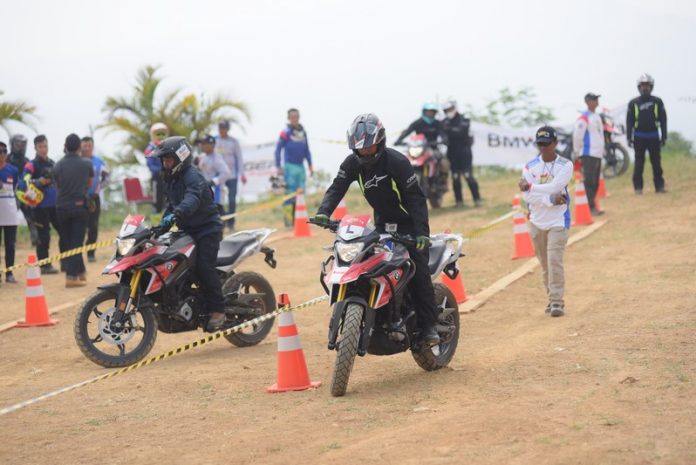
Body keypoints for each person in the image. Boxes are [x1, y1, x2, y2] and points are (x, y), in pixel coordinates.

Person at [314, 113, 440, 345]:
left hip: (409, 226)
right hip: (381, 224)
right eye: (360, 148)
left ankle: (430, 326)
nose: (365, 152)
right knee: (369, 262)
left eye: (369, 147)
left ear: (380, 141)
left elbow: (416, 199)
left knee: (418, 271)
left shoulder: (397, 162)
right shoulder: (352, 163)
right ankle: (379, 314)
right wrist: (324, 211)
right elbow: (337, 186)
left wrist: (422, 232)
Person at [150, 136, 227, 332]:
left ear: (180, 157)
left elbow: (192, 198)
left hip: (207, 229)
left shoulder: (192, 176)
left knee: (203, 267)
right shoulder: (170, 177)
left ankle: (218, 310)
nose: (165, 163)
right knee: (180, 266)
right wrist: (160, 227)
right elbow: (172, 204)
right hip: (188, 229)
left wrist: (177, 213)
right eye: (163, 160)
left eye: (169, 159)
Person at [518, 126, 573, 317]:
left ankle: (557, 301)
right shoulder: (529, 166)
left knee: (554, 261)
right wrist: (550, 199)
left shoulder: (565, 165)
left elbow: (557, 186)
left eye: (547, 144)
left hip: (559, 221)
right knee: (544, 265)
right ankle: (551, 297)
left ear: (555, 143)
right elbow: (527, 197)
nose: (543, 148)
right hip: (536, 221)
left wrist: (532, 187)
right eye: (540, 144)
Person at [54, 134, 93, 287]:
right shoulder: (86, 164)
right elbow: (89, 183)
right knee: (76, 242)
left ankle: (81, 272)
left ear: (65, 146)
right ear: (79, 147)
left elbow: (57, 185)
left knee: (70, 241)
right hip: (79, 207)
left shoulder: (58, 165)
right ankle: (71, 277)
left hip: (61, 207)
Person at [22, 135, 60, 274]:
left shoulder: (53, 163)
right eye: (40, 147)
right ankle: (44, 266)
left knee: (64, 232)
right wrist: (39, 181)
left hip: (55, 206)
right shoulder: (31, 165)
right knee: (43, 237)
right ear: (35, 148)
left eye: (45, 146)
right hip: (39, 207)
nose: (43, 149)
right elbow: (24, 181)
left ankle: (67, 262)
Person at [626, 73, 668, 194]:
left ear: (651, 87)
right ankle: (638, 188)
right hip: (639, 137)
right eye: (643, 85)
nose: (645, 87)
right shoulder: (633, 103)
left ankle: (659, 187)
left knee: (656, 163)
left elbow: (663, 120)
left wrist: (664, 136)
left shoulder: (657, 101)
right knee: (639, 164)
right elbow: (629, 121)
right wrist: (629, 137)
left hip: (654, 137)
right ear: (639, 87)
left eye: (647, 85)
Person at [274, 108, 314, 227]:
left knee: (300, 193)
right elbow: (278, 149)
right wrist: (278, 166)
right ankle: (288, 221)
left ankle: (299, 219)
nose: (294, 119)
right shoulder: (285, 133)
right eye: (292, 117)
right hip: (289, 167)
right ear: (289, 118)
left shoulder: (303, 132)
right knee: (290, 194)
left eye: (296, 117)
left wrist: (310, 165)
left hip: (300, 167)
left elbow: (307, 150)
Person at [441, 100, 482, 208]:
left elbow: (460, 132)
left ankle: (477, 199)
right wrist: (445, 136)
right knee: (455, 177)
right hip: (452, 153)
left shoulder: (464, 119)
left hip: (464, 152)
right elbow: (443, 134)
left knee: (468, 175)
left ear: (454, 108)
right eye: (446, 110)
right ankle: (459, 202)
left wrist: (448, 130)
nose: (448, 112)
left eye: (450, 109)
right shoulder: (444, 122)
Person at [572, 93, 605, 215]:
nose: (596, 101)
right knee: (589, 182)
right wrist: (576, 151)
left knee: (595, 182)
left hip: (597, 154)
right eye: (594, 99)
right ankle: (590, 207)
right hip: (588, 154)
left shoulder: (597, 116)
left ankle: (592, 205)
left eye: (597, 99)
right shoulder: (584, 117)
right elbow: (577, 135)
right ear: (587, 102)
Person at [81, 136, 109, 262]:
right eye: (84, 146)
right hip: (79, 199)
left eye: (89, 146)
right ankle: (76, 254)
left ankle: (91, 253)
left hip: (94, 199)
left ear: (92, 147)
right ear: (80, 147)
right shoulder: (77, 161)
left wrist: (97, 190)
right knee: (80, 227)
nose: (87, 148)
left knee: (93, 227)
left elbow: (106, 179)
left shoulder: (99, 162)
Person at [7, 134, 37, 245]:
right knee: (10, 220)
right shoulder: (6, 160)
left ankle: (36, 240)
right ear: (12, 145)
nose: (21, 148)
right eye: (18, 145)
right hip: (10, 195)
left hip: (25, 193)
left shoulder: (27, 161)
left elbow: (31, 178)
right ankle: (11, 241)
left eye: (23, 145)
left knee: (32, 217)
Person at [216, 120, 246, 230]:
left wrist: (242, 174)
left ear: (228, 129)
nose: (222, 130)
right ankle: (221, 221)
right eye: (220, 128)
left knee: (232, 200)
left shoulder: (234, 142)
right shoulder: (214, 140)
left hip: (232, 175)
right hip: (219, 175)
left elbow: (239, 158)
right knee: (219, 200)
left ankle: (231, 223)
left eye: (224, 128)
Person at [0, 141, 19, 284]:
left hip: (10, 213)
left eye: (4, 151)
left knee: (10, 245)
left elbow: (16, 189)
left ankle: (9, 273)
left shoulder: (13, 170)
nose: (2, 154)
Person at [195, 134, 230, 206]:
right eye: (201, 143)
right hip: (207, 192)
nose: (201, 145)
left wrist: (214, 181)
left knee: (217, 211)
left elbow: (226, 173)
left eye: (204, 144)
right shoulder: (203, 156)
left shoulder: (216, 158)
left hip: (216, 194)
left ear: (211, 145)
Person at [144, 122, 169, 212]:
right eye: (158, 134)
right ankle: (156, 215)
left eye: (163, 134)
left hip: (168, 176)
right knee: (157, 196)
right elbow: (150, 164)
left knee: (168, 195)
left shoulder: (169, 147)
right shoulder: (150, 149)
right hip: (157, 176)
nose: (160, 136)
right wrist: (159, 170)